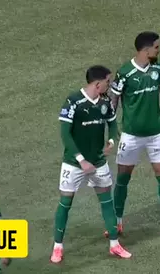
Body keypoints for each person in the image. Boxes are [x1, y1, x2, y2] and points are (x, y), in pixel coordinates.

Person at [51, 65, 131, 263]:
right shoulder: (73, 101)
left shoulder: (105, 101)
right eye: (107, 82)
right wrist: (81, 160)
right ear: (97, 83)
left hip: (98, 162)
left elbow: (112, 123)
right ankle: (57, 247)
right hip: (73, 164)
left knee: (106, 202)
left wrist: (111, 140)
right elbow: (65, 134)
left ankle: (114, 245)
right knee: (65, 203)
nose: (109, 85)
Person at [110, 32, 160, 236]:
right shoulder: (125, 73)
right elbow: (114, 100)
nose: (159, 50)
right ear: (146, 50)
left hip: (156, 133)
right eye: (156, 47)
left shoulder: (157, 69)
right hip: (131, 135)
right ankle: (117, 222)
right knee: (123, 177)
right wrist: (110, 127)